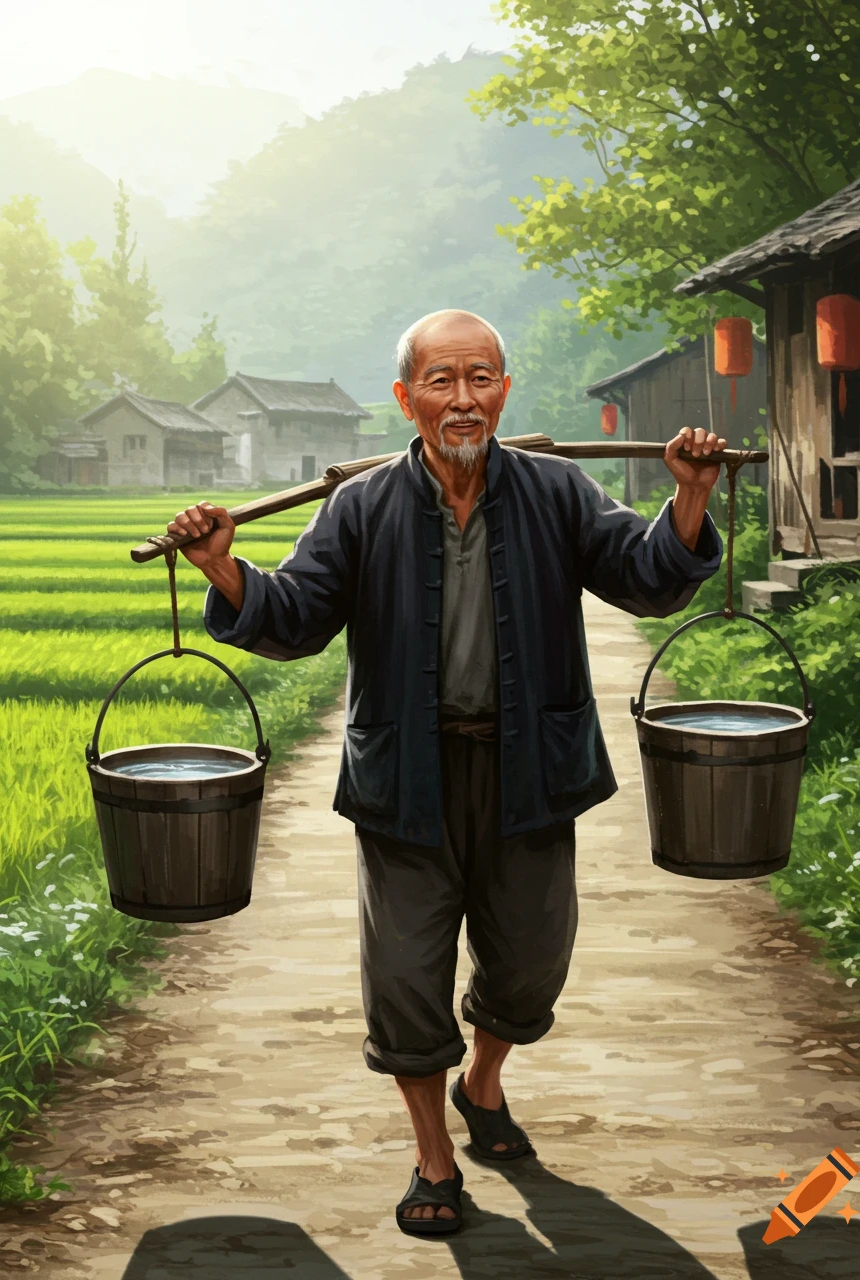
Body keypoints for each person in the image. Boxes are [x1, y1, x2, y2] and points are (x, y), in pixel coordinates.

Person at [167, 309, 725, 1238]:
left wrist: (693, 499)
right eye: (441, 381)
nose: (462, 399)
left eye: (480, 379)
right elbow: (297, 615)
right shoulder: (362, 504)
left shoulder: (555, 490)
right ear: (406, 398)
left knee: (533, 961)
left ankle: (483, 1081)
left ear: (504, 391)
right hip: (407, 780)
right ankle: (433, 1154)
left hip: (533, 770)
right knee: (404, 976)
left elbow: (647, 575)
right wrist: (225, 571)